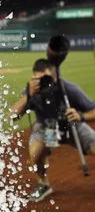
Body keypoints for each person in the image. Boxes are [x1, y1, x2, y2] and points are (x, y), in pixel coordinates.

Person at [9, 58, 95, 202]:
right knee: (35, 154)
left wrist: (80, 115)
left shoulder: (69, 89)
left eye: (46, 79)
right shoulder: (32, 92)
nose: (42, 83)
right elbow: (12, 116)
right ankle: (43, 184)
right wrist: (28, 95)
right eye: (38, 79)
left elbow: (93, 111)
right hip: (46, 127)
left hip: (72, 125)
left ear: (55, 77)